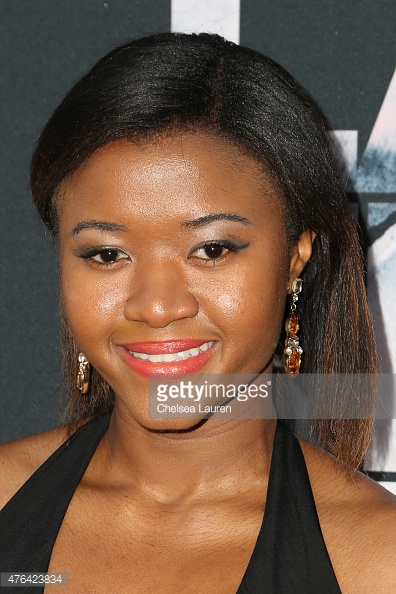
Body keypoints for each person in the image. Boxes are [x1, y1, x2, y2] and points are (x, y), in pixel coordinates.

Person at [0, 32, 395, 593]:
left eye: (212, 250)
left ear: (294, 259)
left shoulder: (379, 563)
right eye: (107, 254)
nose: (158, 306)